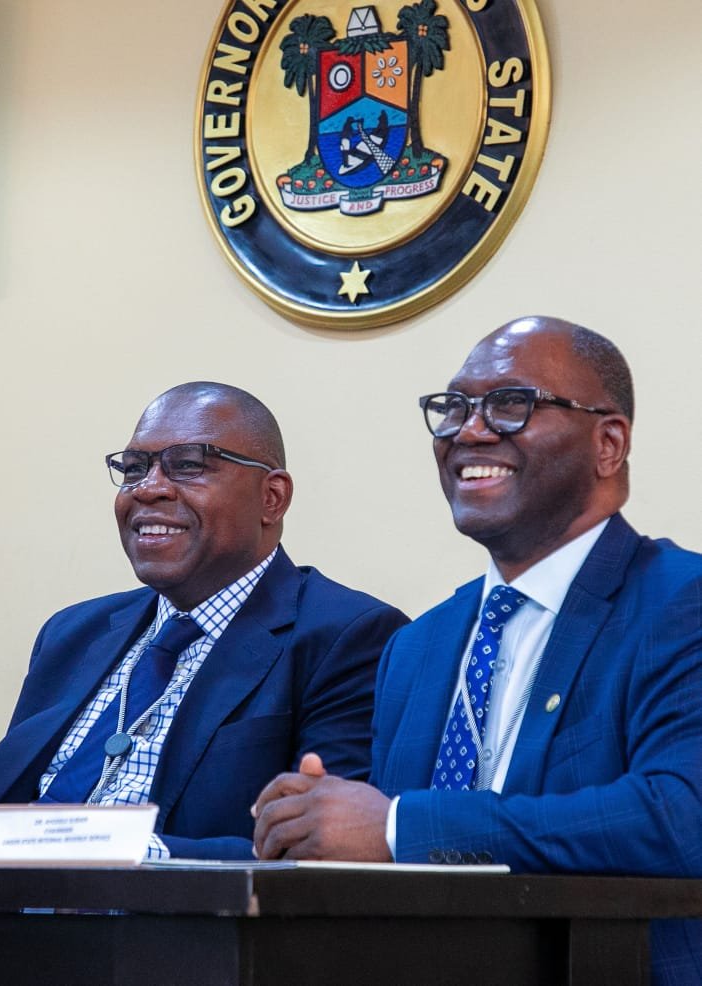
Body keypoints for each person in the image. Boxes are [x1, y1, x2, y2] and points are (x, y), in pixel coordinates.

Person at [252, 317, 702, 984]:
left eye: (511, 404)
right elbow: (375, 851)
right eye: (453, 407)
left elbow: (680, 819)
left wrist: (402, 827)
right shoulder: (416, 646)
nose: (469, 431)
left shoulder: (680, 602)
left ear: (608, 444)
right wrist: (307, 823)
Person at [0, 382, 408, 859]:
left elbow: (318, 854)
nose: (148, 488)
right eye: (134, 468)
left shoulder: (350, 637)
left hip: (168, 905)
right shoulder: (73, 634)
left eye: (188, 465)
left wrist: (109, 852)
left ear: (272, 498)